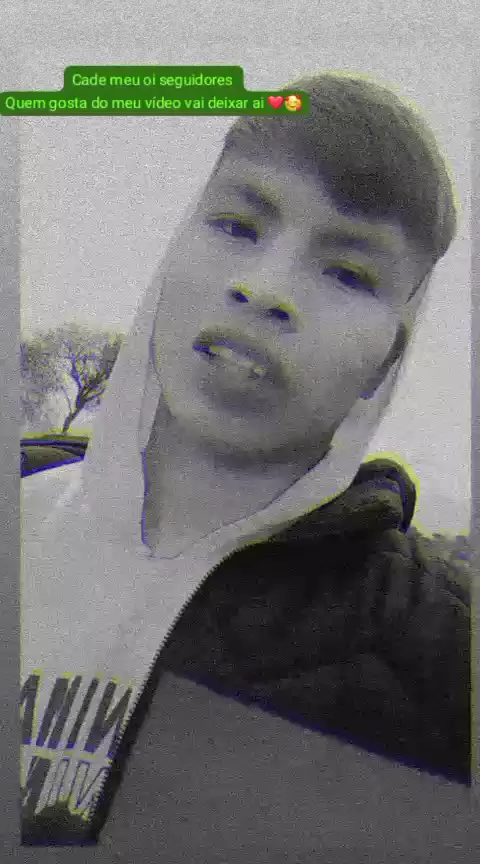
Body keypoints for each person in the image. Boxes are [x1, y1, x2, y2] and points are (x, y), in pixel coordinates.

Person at [20, 71, 471, 848]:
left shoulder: (440, 658)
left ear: (389, 358)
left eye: (348, 272)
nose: (264, 290)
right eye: (236, 225)